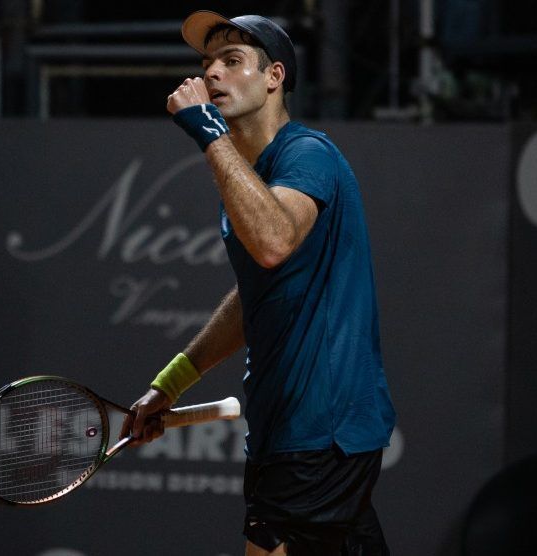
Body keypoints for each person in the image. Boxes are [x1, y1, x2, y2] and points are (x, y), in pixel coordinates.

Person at [121, 10, 396, 556]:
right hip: (289, 433)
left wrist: (208, 133)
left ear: (274, 77)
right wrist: (171, 383)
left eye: (231, 61)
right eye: (207, 64)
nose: (212, 74)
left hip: (319, 435)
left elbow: (274, 241)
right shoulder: (251, 183)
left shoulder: (306, 154)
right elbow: (255, 304)